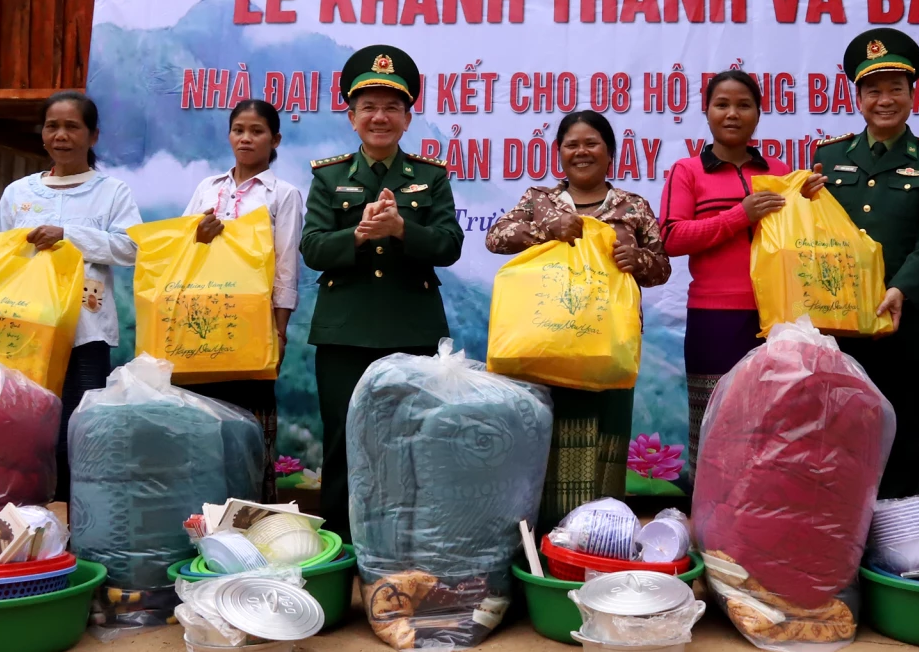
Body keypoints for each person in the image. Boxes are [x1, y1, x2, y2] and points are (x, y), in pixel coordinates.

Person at [301, 45, 463, 541]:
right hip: (345, 333)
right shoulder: (328, 177)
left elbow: (450, 245)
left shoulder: (430, 178)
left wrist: (399, 229)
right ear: (351, 118)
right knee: (343, 444)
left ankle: (408, 548)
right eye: (368, 107)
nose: (380, 117)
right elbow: (311, 247)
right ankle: (341, 552)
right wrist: (357, 235)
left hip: (411, 329)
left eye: (391, 107)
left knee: (413, 443)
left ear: (408, 117)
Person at [486, 110, 671, 527]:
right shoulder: (541, 201)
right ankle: (544, 544)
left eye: (592, 144)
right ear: (559, 154)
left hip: (609, 346)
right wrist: (547, 229)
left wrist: (637, 259)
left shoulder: (633, 206)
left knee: (605, 444)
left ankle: (599, 541)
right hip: (546, 344)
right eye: (572, 144)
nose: (582, 151)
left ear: (610, 153)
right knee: (546, 445)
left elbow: (662, 268)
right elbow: (496, 237)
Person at [812, 29, 919, 499]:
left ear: (913, 94)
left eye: (896, 88)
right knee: (836, 427)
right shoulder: (829, 157)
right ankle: (836, 528)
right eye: (873, 90)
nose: (885, 100)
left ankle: (901, 535)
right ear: (857, 97)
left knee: (897, 424)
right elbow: (811, 235)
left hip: (899, 319)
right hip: (836, 323)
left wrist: (901, 289)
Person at [659, 70, 821, 483]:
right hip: (715, 317)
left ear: (759, 113)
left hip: (778, 317)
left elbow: (802, 241)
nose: (732, 114)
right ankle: (707, 525)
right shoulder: (687, 170)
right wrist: (739, 216)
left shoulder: (780, 170)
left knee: (772, 422)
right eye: (722, 104)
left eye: (743, 105)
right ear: (707, 111)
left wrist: (813, 204)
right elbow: (672, 238)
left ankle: (764, 519)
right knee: (713, 421)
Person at [0, 91, 141, 498]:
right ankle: (32, 513)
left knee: (79, 426)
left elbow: (130, 248)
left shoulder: (112, 191)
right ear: (42, 135)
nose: (61, 135)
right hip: (25, 328)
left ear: (93, 136)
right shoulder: (19, 192)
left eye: (72, 126)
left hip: (85, 329)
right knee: (29, 424)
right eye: (52, 126)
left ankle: (80, 517)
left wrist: (67, 236)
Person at [181, 98, 304, 502]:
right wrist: (196, 234)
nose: (246, 138)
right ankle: (203, 515)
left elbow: (285, 266)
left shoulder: (282, 195)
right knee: (203, 424)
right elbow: (180, 249)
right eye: (239, 130)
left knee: (253, 427)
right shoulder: (207, 188)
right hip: (202, 321)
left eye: (257, 131)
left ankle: (255, 514)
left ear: (275, 139)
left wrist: (280, 332)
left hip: (254, 325)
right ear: (229, 135)